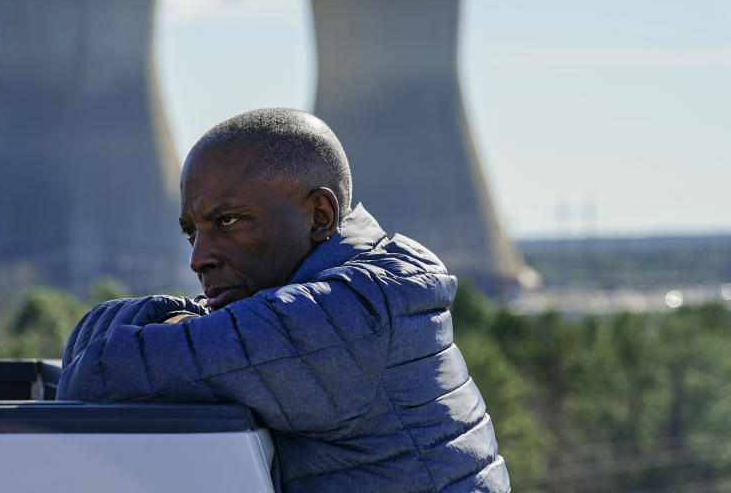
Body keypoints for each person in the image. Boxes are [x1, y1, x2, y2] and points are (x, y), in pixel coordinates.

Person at [57, 108, 510, 493]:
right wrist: (177, 321)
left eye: (229, 221)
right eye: (192, 232)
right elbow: (93, 352)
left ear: (320, 215)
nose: (198, 259)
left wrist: (180, 329)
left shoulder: (345, 318)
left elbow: (95, 379)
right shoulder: (362, 292)